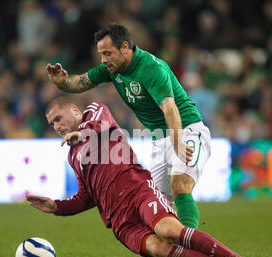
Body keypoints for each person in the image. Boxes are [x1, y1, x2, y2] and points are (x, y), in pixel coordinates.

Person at [26, 96, 263, 257]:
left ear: (74, 110)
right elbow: (87, 195)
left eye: (58, 119)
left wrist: (82, 134)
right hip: (119, 220)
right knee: (160, 249)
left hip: (138, 191)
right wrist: (57, 207)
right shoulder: (72, 155)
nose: (56, 127)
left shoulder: (94, 112)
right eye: (52, 124)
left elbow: (101, 125)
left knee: (169, 231)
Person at [46, 23, 210, 230]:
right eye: (101, 54)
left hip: (186, 129)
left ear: (125, 47)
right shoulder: (112, 69)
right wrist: (61, 82)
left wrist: (177, 142)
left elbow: (169, 107)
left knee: (180, 186)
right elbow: (80, 82)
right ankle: (177, 245)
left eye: (107, 53)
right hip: (160, 139)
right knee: (156, 204)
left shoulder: (151, 68)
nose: (103, 59)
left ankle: (190, 242)